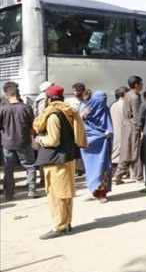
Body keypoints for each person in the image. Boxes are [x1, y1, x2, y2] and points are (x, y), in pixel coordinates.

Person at [34, 85, 88, 239]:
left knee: (56, 195)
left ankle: (59, 227)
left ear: (49, 99)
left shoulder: (53, 116)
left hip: (56, 160)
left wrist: (40, 139)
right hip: (67, 157)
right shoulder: (67, 111)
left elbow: (53, 140)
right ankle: (67, 222)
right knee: (65, 193)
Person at [1, 81, 38, 200]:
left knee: (8, 168)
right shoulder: (26, 108)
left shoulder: (3, 109)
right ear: (18, 94)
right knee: (30, 165)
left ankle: (9, 193)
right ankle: (32, 189)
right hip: (23, 141)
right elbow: (33, 125)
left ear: (7, 96)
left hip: (7, 143)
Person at [79, 91, 113, 203]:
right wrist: (81, 116)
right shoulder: (85, 111)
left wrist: (105, 135)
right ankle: (94, 192)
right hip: (89, 147)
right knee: (91, 169)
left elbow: (109, 129)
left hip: (102, 145)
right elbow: (78, 126)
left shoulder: (105, 110)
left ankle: (102, 193)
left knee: (103, 168)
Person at [114, 75, 144, 185]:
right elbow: (136, 116)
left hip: (126, 127)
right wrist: (140, 129)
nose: (142, 85)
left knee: (126, 152)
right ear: (136, 85)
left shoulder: (127, 95)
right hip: (133, 128)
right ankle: (138, 177)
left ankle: (118, 175)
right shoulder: (135, 97)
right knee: (135, 153)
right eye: (141, 83)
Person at [109, 86, 128, 172]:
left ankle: (115, 172)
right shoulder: (126, 105)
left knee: (115, 152)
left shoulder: (113, 105)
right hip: (124, 132)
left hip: (114, 131)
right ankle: (120, 172)